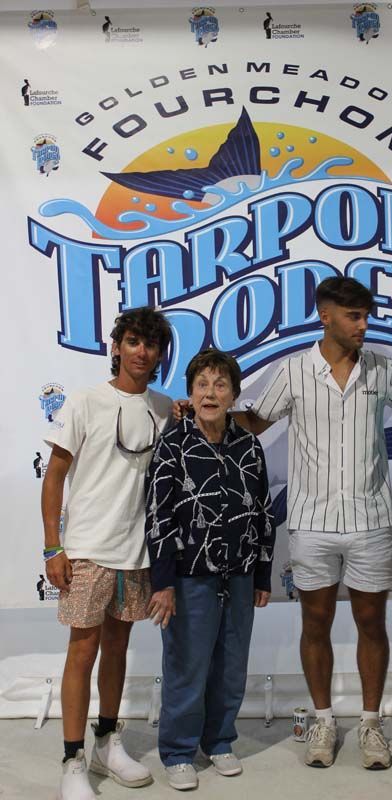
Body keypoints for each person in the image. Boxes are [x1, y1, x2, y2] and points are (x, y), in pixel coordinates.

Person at [175, 277, 392, 770]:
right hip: (311, 522)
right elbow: (254, 421)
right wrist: (199, 408)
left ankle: (371, 724)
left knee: (372, 622)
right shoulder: (294, 371)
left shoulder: (383, 370)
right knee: (316, 622)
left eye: (366, 315)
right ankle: (324, 720)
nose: (363, 325)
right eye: (354, 316)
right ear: (325, 316)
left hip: (372, 520)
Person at [42, 306, 173, 800]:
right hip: (86, 551)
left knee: (117, 649)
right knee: (83, 651)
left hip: (137, 553)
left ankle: (107, 742)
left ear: (160, 354)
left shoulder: (163, 408)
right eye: (134, 341)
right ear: (116, 346)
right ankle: (72, 760)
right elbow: (54, 476)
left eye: (152, 344)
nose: (142, 352)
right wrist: (54, 546)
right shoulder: (83, 402)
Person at [145, 349, 275, 791]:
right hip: (187, 578)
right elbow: (159, 516)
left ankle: (219, 741)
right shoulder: (173, 444)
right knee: (186, 665)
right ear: (190, 392)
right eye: (202, 384)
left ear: (234, 394)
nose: (210, 393)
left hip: (238, 576)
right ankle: (178, 751)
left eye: (220, 385)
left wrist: (261, 574)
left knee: (231, 665)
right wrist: (162, 584)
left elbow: (261, 512)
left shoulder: (248, 445)